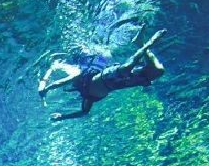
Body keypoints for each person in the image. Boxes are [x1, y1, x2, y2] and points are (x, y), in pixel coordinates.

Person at [38, 29, 166, 120]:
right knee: (158, 71)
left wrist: (47, 89)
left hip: (108, 76)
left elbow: (60, 83)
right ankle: (140, 43)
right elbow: (83, 112)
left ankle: (146, 43)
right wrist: (61, 117)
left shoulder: (80, 77)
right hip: (118, 83)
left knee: (128, 67)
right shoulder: (87, 97)